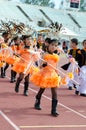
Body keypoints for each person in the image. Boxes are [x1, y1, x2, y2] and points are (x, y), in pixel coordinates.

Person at [30, 39, 61, 117]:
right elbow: (40, 67)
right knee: (42, 89)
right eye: (52, 45)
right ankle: (37, 99)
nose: (54, 47)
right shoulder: (44, 55)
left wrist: (58, 75)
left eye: (56, 45)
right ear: (48, 45)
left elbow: (56, 67)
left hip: (53, 75)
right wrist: (44, 64)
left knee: (54, 92)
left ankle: (54, 110)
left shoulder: (56, 56)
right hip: (45, 74)